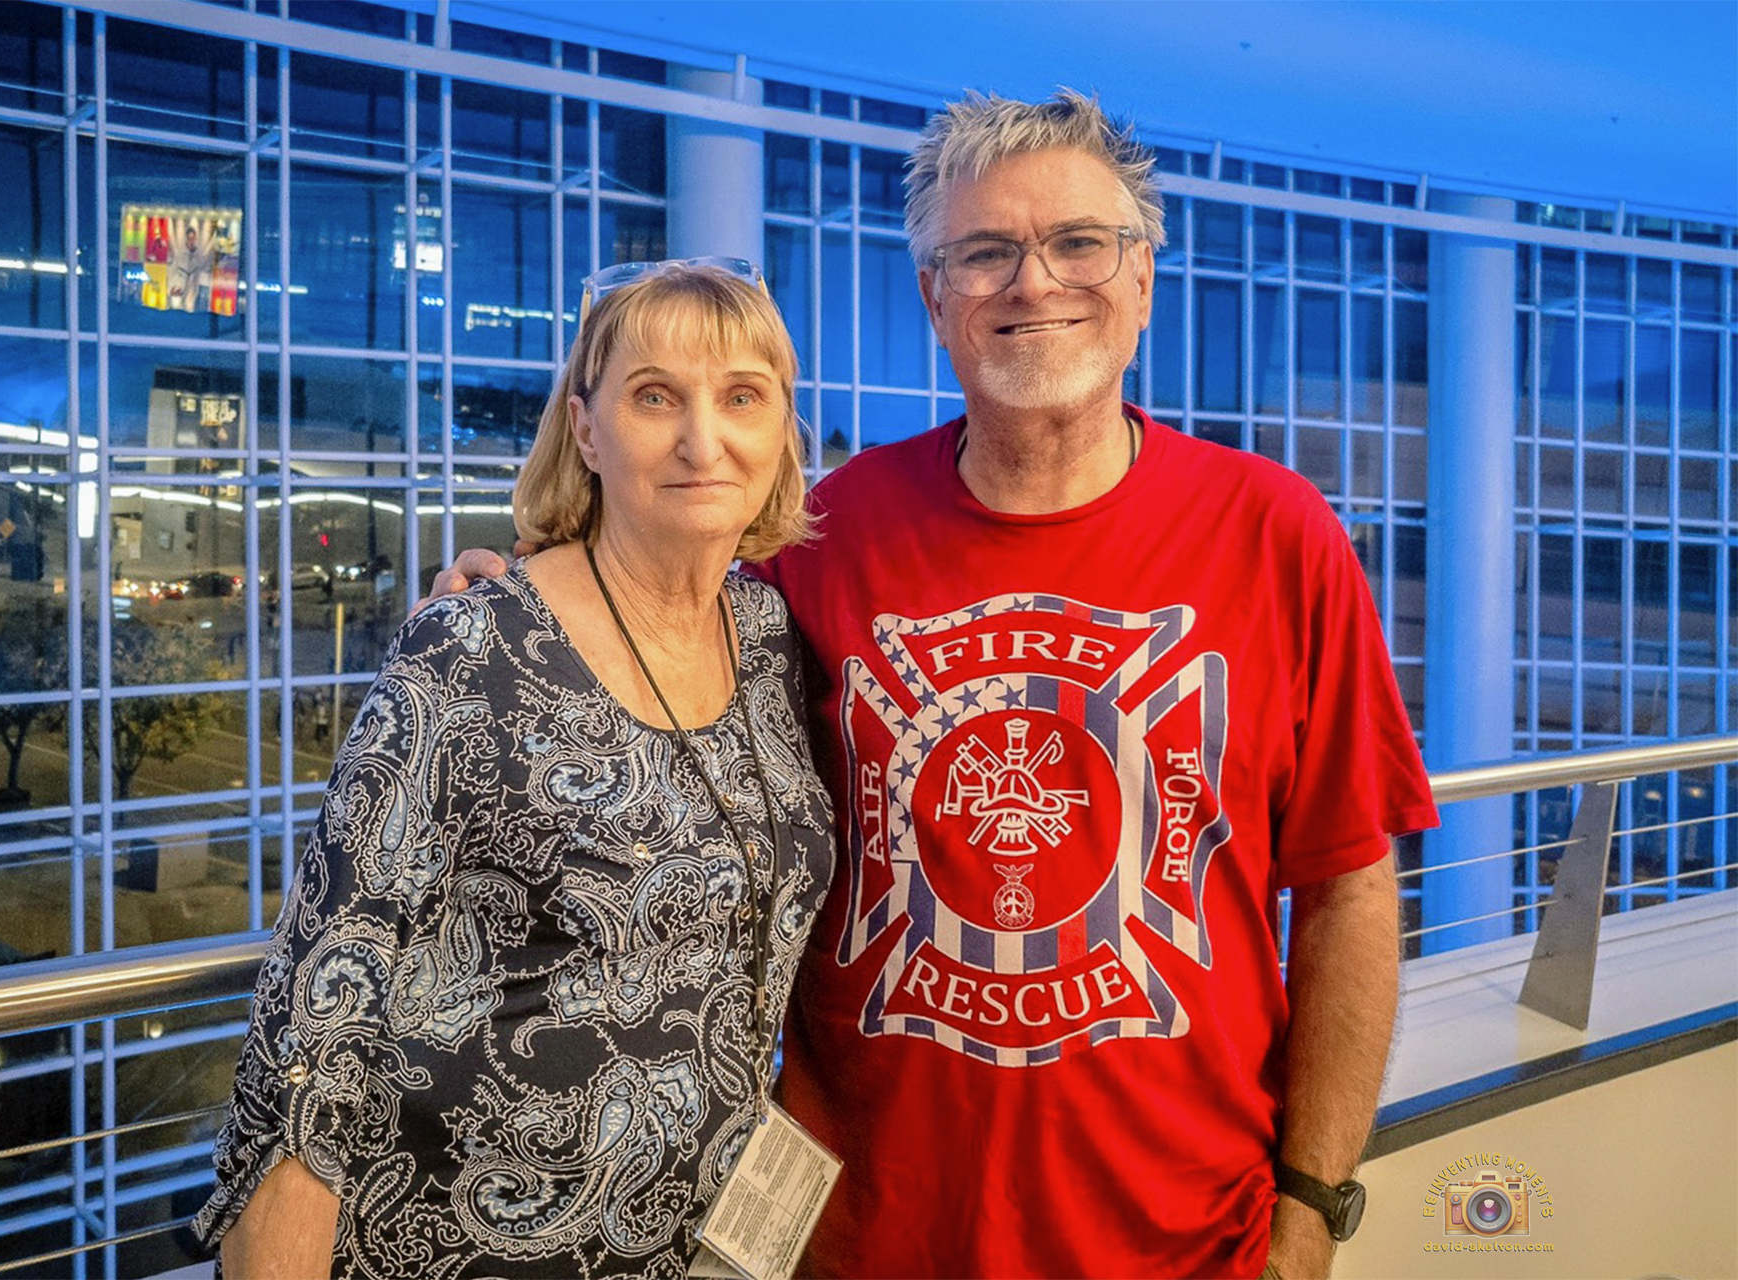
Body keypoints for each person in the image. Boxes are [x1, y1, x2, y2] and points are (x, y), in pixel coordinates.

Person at [431, 92, 1437, 1280]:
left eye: (1078, 243)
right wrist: (518, 607)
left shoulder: (1277, 533)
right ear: (935, 299)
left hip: (1184, 1242)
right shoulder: (817, 533)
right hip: (859, 1240)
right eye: (985, 253)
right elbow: (650, 645)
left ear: (1143, 278)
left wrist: (1313, 1201)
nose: (1033, 281)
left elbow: (1348, 888)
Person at [195, 261, 836, 1278]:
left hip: (701, 1247)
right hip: (459, 1244)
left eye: (742, 397)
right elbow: (314, 1029)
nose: (702, 440)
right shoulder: (468, 648)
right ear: (586, 428)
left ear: (783, 431)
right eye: (654, 395)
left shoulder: (768, 636)